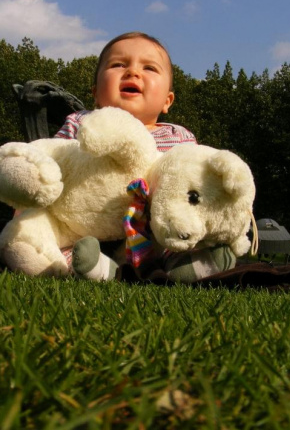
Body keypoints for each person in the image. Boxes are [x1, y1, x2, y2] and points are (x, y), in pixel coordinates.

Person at [54, 31, 236, 282]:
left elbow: (197, 187)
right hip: (91, 225)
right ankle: (89, 265)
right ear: (95, 92)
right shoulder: (81, 123)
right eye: (118, 64)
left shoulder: (180, 138)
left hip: (157, 234)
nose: (133, 72)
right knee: (65, 248)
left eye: (149, 68)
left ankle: (186, 266)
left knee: (178, 241)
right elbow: (51, 166)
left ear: (167, 101)